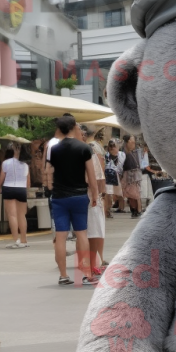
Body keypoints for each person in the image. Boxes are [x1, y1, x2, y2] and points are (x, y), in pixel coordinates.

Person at [47, 116, 99, 286]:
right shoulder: (84, 148)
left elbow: (49, 171)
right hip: (79, 196)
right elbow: (91, 175)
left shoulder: (53, 149)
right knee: (81, 233)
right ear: (73, 127)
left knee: (60, 236)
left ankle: (63, 275)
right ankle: (85, 274)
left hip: (59, 197)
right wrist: (95, 194)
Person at [0, 144, 31, 248]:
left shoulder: (6, 163)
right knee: (22, 215)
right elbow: (28, 182)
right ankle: (24, 240)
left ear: (14, 149)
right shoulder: (25, 165)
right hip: (21, 189)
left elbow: (1, 178)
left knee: (12, 215)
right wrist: (26, 190)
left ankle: (16, 240)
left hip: (9, 188)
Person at [86, 139, 107, 275]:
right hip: (91, 197)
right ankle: (93, 263)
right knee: (93, 231)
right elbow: (95, 180)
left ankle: (95, 262)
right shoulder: (89, 156)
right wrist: (97, 194)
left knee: (95, 231)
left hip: (91, 196)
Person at [120, 135, 142, 218]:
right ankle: (134, 210)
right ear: (128, 141)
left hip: (134, 174)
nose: (134, 142)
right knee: (131, 194)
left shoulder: (133, 151)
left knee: (135, 193)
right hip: (128, 174)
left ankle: (137, 210)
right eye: (132, 141)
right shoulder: (124, 151)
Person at [104, 139, 124, 217]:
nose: (112, 148)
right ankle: (107, 210)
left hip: (115, 175)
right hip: (108, 175)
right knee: (108, 193)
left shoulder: (121, 155)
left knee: (115, 194)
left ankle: (110, 209)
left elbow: (120, 166)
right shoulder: (106, 155)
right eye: (110, 146)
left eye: (114, 146)